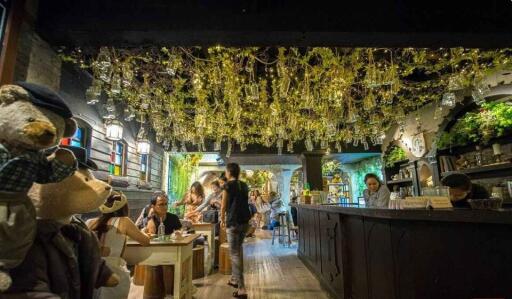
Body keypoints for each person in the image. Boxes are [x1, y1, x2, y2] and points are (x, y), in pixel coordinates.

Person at [87, 191, 151, 299]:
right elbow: (145, 241)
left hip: (90, 272)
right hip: (113, 272)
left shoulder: (90, 222)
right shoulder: (124, 221)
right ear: (124, 207)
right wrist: (144, 231)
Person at [220, 163, 250, 299]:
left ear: (229, 172)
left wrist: (222, 219)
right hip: (245, 221)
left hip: (233, 222)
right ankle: (234, 279)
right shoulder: (244, 185)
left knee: (234, 254)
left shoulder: (227, 185)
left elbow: (224, 205)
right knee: (238, 250)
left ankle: (242, 288)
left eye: (226, 171)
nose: (225, 173)